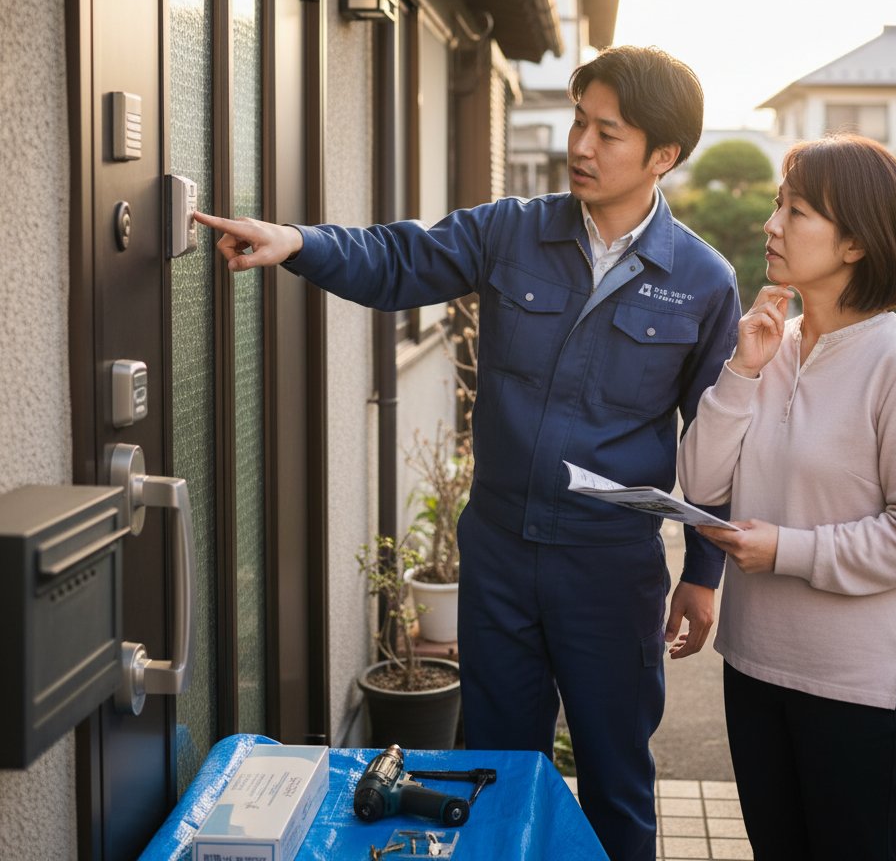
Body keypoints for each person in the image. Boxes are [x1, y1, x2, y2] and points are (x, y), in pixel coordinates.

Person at [196, 45, 741, 861]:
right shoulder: (511, 231)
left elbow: (716, 437)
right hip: (499, 557)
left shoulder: (703, 280)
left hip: (610, 570)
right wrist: (295, 242)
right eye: (580, 123)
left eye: (608, 134)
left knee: (616, 780)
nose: (581, 146)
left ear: (663, 155)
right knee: (496, 769)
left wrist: (702, 571)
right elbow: (397, 259)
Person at [676, 134, 896, 861]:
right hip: (752, 665)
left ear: (856, 242)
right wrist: (742, 371)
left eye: (796, 211)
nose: (772, 224)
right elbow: (702, 485)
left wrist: (788, 551)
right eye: (778, 204)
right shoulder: (768, 343)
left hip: (853, 689)